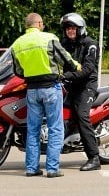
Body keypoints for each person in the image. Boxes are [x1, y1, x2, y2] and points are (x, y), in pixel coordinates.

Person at [10, 12, 79, 178]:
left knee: (33, 130)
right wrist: (76, 66)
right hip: (50, 88)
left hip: (32, 90)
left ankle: (31, 168)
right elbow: (65, 59)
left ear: (27, 25)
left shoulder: (17, 44)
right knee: (55, 128)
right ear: (39, 24)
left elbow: (17, 70)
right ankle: (52, 169)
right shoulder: (48, 38)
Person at [60, 12, 102, 171]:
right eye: (67, 28)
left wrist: (67, 75)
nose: (70, 31)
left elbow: (88, 69)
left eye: (73, 28)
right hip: (71, 84)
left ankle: (94, 158)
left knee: (81, 115)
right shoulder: (65, 44)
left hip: (86, 86)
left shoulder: (90, 44)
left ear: (80, 28)